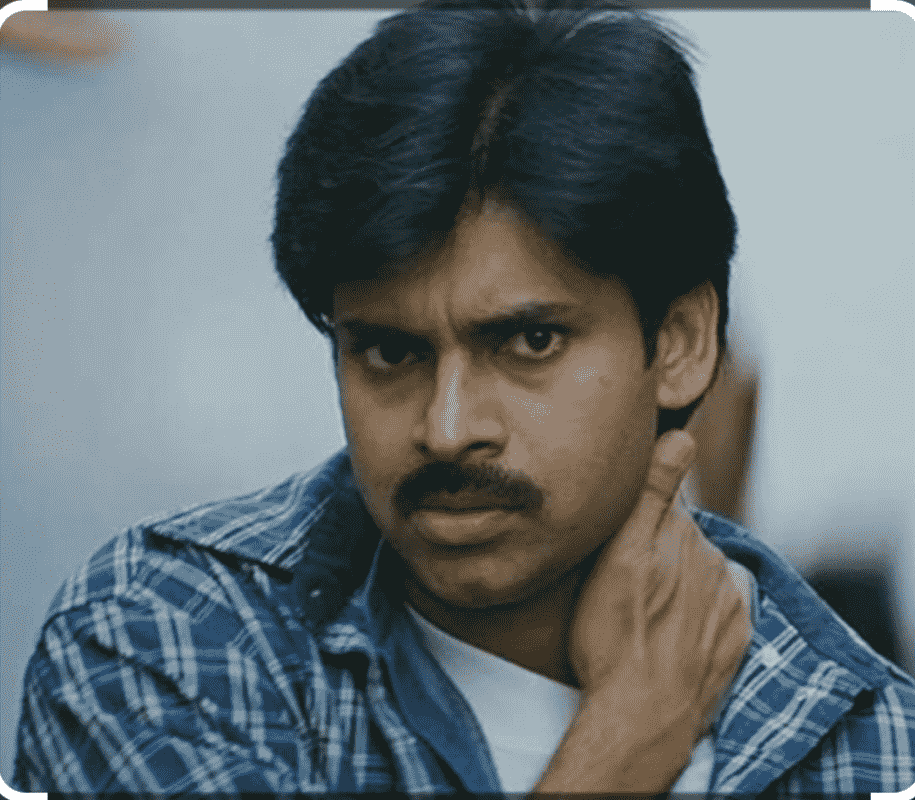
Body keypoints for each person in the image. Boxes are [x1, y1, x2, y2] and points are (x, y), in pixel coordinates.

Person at [11, 0, 915, 796]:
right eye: (388, 352)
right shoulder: (164, 644)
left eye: (528, 343)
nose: (446, 430)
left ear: (679, 345)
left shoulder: (868, 752)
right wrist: (624, 745)